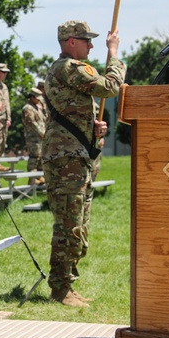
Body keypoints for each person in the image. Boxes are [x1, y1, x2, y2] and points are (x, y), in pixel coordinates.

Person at [43, 21, 123, 308]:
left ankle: (69, 283)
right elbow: (110, 87)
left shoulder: (70, 71)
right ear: (70, 41)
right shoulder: (69, 68)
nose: (91, 45)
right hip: (67, 159)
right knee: (69, 225)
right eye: (86, 40)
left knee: (79, 226)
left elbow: (73, 111)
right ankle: (60, 288)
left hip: (76, 155)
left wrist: (93, 128)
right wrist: (113, 52)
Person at [22, 87, 47, 176]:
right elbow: (31, 123)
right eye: (37, 98)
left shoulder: (37, 107)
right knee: (34, 156)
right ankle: (32, 178)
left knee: (41, 157)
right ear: (32, 97)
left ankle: (39, 176)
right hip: (33, 137)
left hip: (41, 137)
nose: (39, 100)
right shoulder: (28, 108)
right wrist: (41, 133)